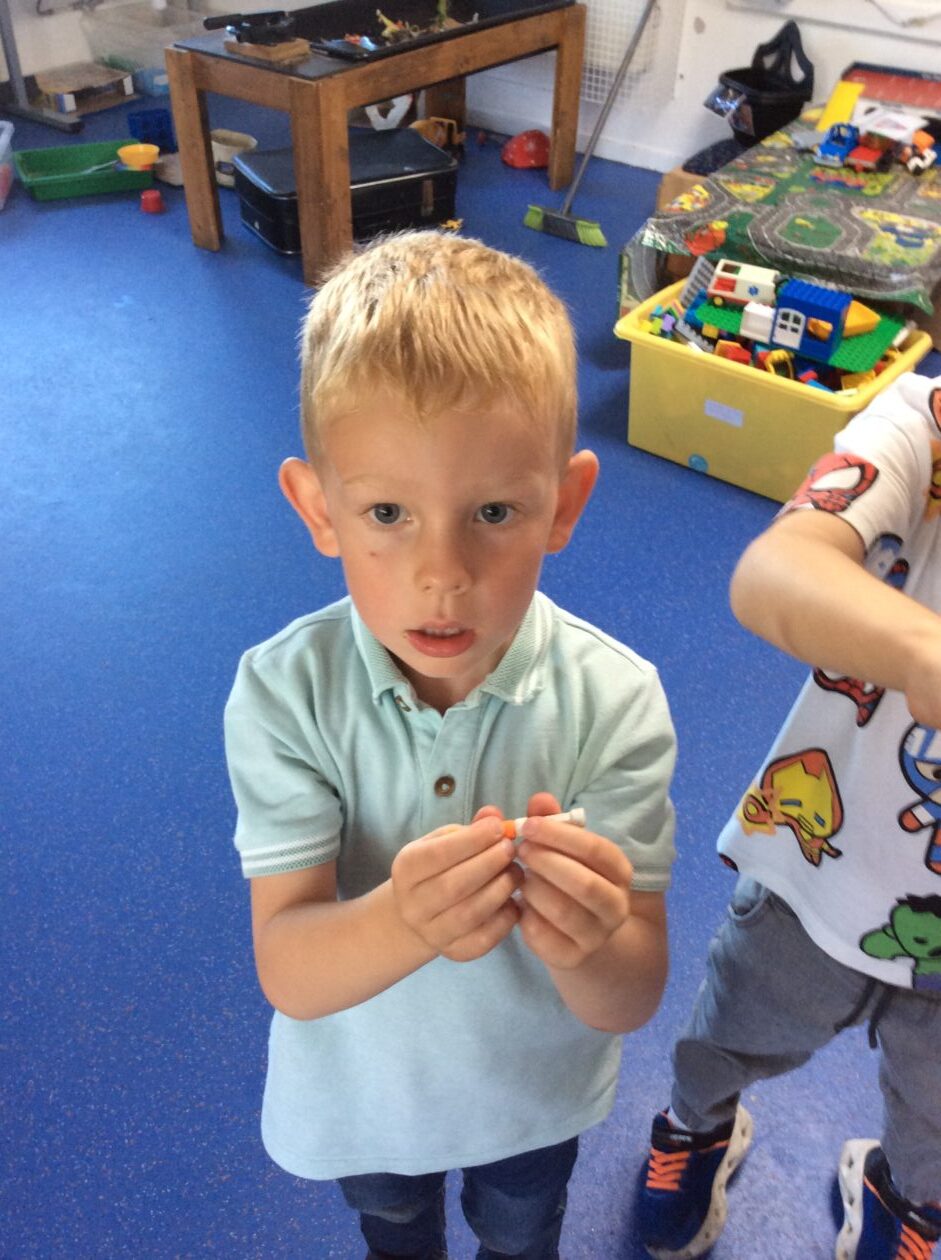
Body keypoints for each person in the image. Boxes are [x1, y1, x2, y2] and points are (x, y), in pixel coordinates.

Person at [223, 230, 678, 1260]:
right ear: (318, 509)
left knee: (519, 1234)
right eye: (387, 511)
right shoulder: (284, 694)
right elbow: (289, 969)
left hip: (530, 1102)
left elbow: (632, 991)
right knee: (394, 1233)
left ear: (562, 505)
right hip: (364, 1102)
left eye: (492, 512)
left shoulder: (614, 701)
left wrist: (591, 938)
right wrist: (403, 918)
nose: (443, 573)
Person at [637, 371, 941, 1260]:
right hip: (821, 867)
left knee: (935, 1130)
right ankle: (696, 1127)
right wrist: (923, 652)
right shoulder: (921, 427)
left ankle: (905, 1199)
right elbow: (775, 572)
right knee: (729, 1028)